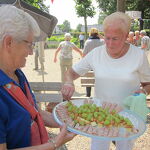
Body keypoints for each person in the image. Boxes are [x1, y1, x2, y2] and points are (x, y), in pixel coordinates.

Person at [61, 12, 150, 150]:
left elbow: (148, 84)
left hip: (127, 117)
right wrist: (68, 82)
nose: (109, 44)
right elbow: (70, 73)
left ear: (126, 36)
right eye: (107, 38)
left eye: (115, 39)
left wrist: (143, 91)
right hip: (99, 115)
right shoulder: (97, 53)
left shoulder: (138, 55)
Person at [0, 5, 75, 150]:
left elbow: (33, 112)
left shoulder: (16, 73)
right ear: (8, 42)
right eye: (29, 44)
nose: (30, 52)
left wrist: (68, 122)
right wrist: (54, 144)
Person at [83, 28, 104, 97]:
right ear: (97, 33)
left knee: (89, 79)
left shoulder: (87, 42)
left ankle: (88, 95)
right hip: (100, 64)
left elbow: (84, 54)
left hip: (90, 64)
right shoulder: (102, 41)